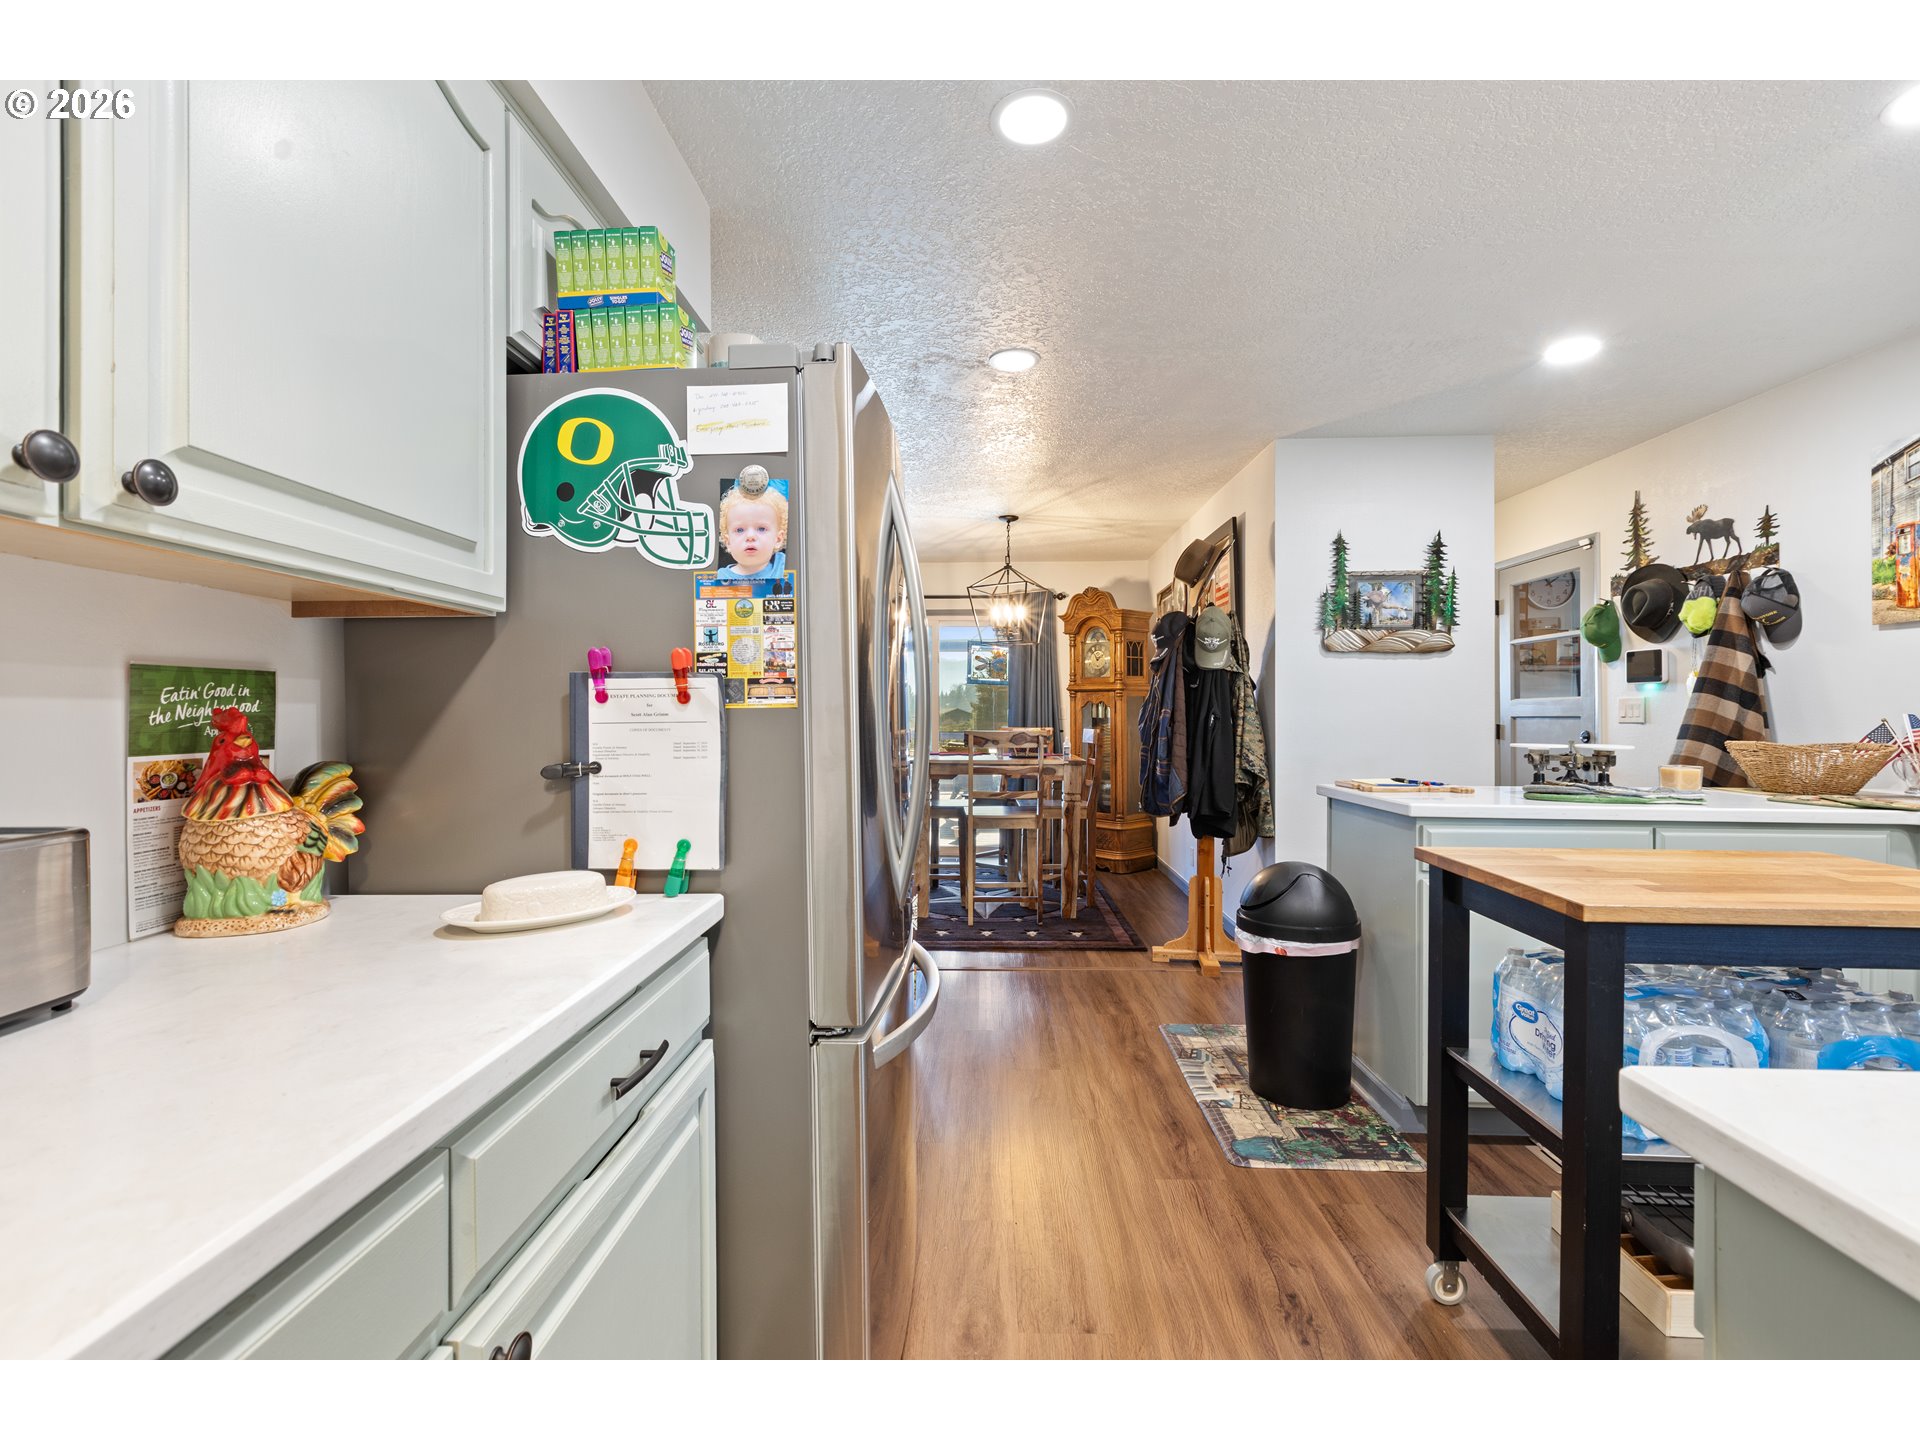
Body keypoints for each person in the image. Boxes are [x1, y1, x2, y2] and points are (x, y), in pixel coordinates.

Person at [713, 475, 789, 580]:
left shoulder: (783, 565)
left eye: (761, 529)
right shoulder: (720, 577)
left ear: (778, 539)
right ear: (728, 542)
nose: (750, 536)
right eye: (740, 530)